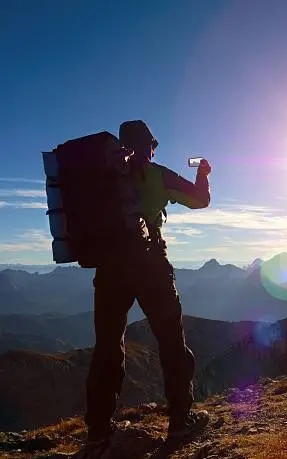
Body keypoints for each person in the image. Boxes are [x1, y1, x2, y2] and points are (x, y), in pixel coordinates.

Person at [81, 120, 211, 457]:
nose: (154, 151)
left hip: (108, 269)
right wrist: (204, 173)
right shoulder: (157, 174)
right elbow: (200, 200)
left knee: (108, 345)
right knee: (170, 340)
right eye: (153, 145)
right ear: (148, 146)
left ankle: (97, 430)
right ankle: (181, 420)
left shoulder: (102, 175)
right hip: (149, 263)